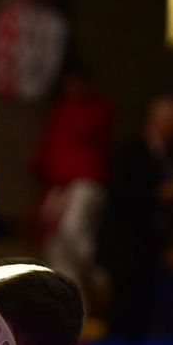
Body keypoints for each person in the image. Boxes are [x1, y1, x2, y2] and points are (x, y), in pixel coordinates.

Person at [94, 96, 173, 338]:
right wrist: (156, 196)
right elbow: (119, 193)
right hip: (125, 246)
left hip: (152, 247)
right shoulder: (130, 152)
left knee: (145, 312)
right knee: (122, 309)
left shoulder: (172, 156)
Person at [32, 61, 112, 294]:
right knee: (54, 246)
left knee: (73, 232)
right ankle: (72, 304)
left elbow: (85, 132)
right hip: (58, 185)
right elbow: (52, 144)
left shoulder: (99, 109)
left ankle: (95, 274)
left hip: (84, 183)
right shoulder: (61, 108)